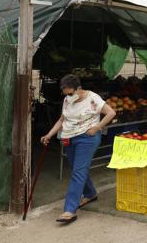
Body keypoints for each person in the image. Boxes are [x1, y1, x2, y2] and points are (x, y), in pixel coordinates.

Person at [40, 74, 116, 224]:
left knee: (78, 172)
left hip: (87, 139)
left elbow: (111, 113)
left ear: (78, 89)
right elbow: (62, 119)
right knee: (78, 168)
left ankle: (70, 209)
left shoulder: (93, 98)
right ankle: (90, 193)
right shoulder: (67, 100)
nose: (67, 96)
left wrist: (97, 127)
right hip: (69, 138)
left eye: (70, 93)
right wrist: (49, 134)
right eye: (65, 93)